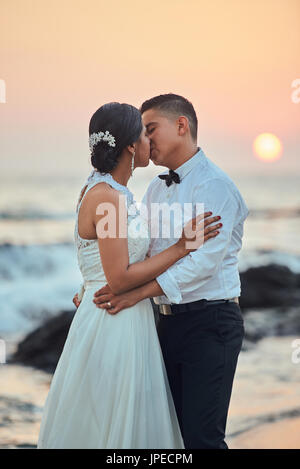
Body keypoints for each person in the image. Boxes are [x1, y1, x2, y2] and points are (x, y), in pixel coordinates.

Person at [37, 102, 222, 449]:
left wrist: (90, 281)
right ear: (129, 147)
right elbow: (120, 278)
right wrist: (183, 246)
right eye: (144, 133)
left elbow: (105, 259)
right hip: (114, 320)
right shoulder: (107, 198)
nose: (149, 142)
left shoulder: (112, 192)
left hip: (126, 315)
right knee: (110, 423)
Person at [92, 94, 249, 449]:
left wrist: (134, 294)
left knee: (202, 439)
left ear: (182, 126)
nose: (146, 141)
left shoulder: (216, 187)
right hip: (163, 323)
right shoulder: (154, 189)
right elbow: (142, 253)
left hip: (210, 323)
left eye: (151, 130)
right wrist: (99, 287)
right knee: (167, 436)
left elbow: (201, 265)